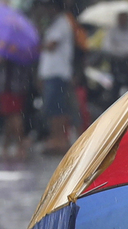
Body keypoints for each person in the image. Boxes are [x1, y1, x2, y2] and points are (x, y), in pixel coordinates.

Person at [38, 0, 74, 153]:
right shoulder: (54, 24)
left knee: (57, 109)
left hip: (58, 73)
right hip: (51, 73)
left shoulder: (62, 23)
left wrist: (36, 41)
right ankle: (56, 138)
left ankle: (59, 139)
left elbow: (51, 45)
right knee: (52, 108)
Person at [101, 10, 128, 94]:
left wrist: (122, 50)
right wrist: (120, 51)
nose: (123, 19)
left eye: (124, 17)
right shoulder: (112, 32)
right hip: (116, 64)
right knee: (114, 88)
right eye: (121, 17)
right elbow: (106, 47)